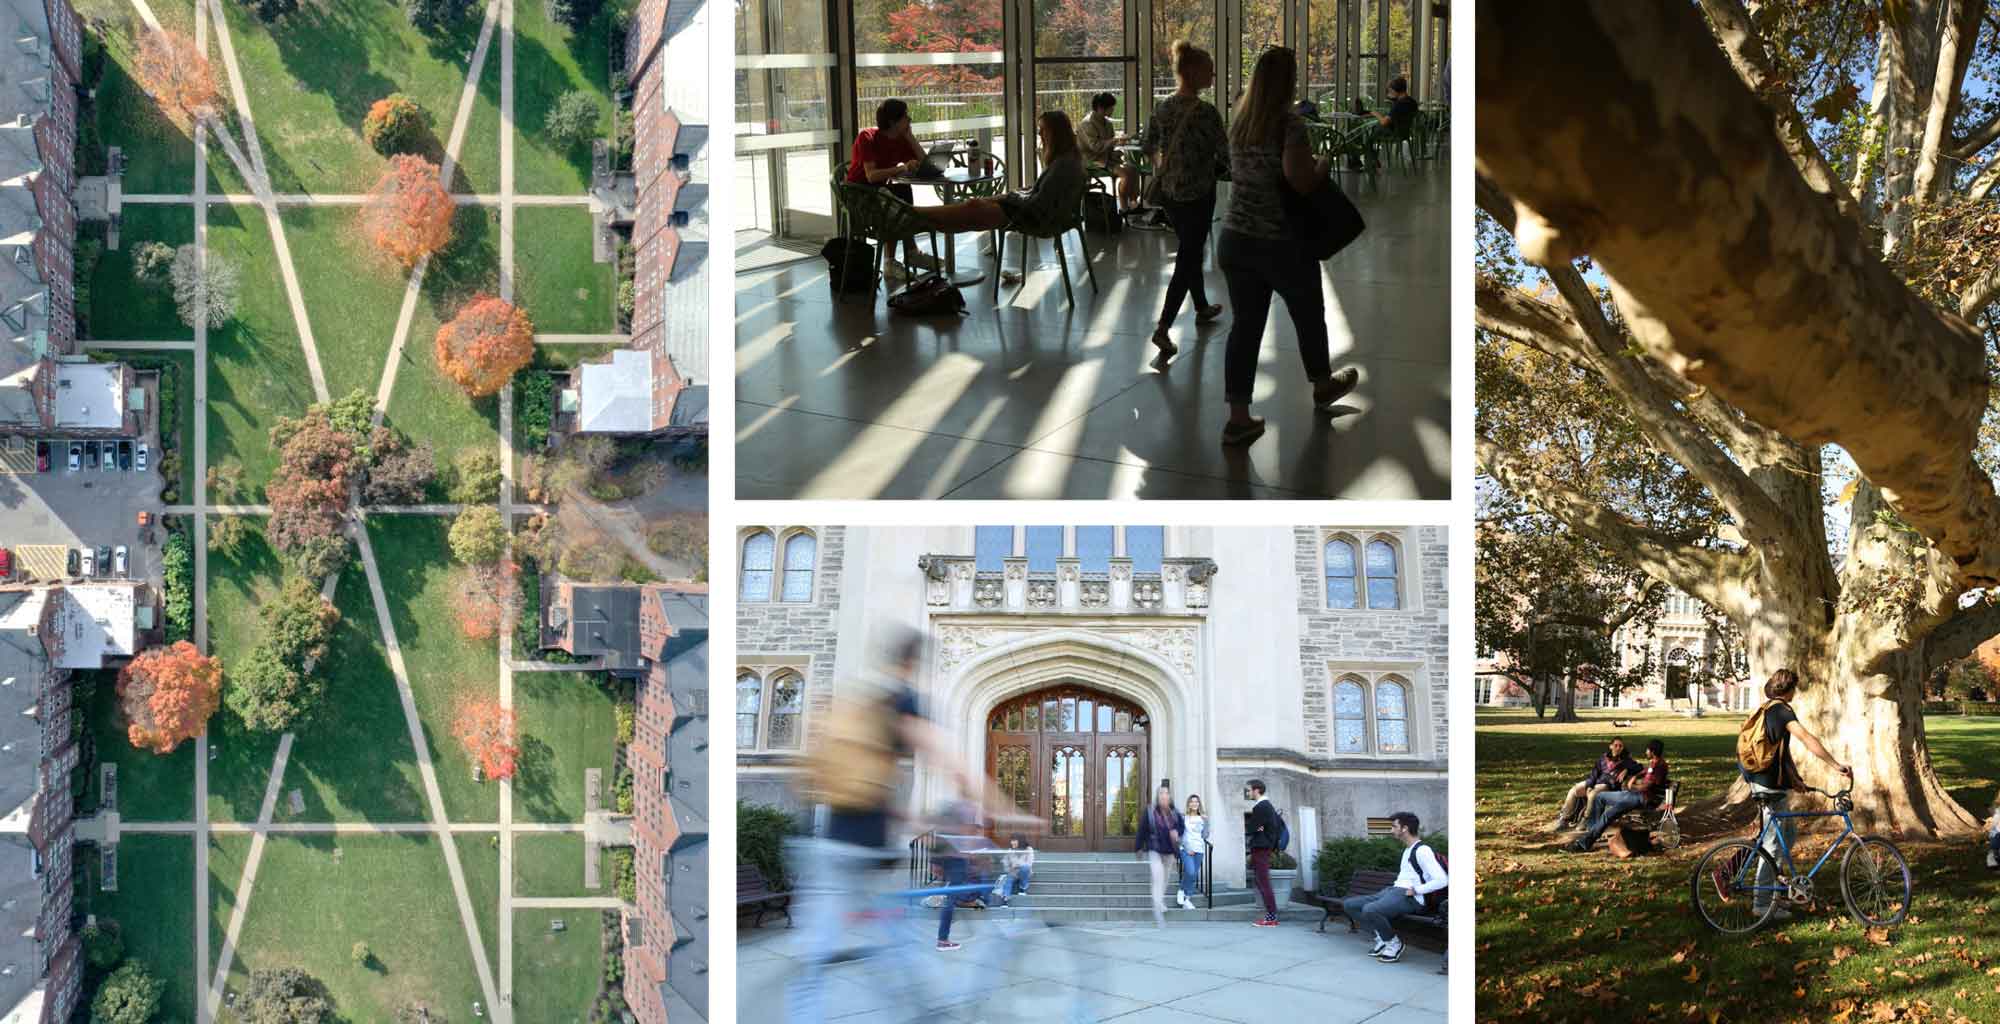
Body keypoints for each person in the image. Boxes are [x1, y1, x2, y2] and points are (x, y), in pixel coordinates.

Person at [787, 631, 1033, 1023]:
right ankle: (936, 1013)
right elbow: (950, 762)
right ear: (914, 664)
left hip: (826, 841)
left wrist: (913, 819)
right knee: (900, 944)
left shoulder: (861, 703)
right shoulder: (901, 700)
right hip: (865, 851)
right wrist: (1004, 808)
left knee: (815, 956)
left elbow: (863, 791)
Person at [1216, 47, 1360, 447]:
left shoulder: (1240, 122)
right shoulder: (1288, 124)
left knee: (1245, 327)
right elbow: (1299, 181)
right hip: (1280, 241)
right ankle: (1322, 384)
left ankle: (1238, 418)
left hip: (1234, 238)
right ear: (1288, 80)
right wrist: (1323, 167)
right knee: (1309, 314)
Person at [1139, 40, 1229, 370]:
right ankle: (1163, 327)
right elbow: (1225, 153)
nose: (1213, 73)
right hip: (1199, 193)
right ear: (1192, 72)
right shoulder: (1206, 113)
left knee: (1191, 248)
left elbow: (1147, 144)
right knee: (1190, 255)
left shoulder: (1162, 108)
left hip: (1171, 195)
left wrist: (1164, 166)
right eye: (1209, 69)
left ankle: (1202, 306)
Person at [1738, 669, 1850, 919]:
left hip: (1767, 782)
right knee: (1773, 845)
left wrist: (1794, 779)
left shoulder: (1768, 708)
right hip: (1768, 786)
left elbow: (1780, 751)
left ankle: (1776, 893)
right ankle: (1762, 904)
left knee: (1787, 834)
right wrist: (1835, 765)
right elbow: (1806, 738)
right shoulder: (1782, 710)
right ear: (1789, 689)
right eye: (1794, 688)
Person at [913, 110, 1088, 244]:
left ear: (1055, 133)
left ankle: (916, 215)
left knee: (972, 209)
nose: (1040, 134)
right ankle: (919, 217)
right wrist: (1015, 194)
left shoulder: (1062, 165)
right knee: (973, 207)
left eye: (1043, 130)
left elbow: (1039, 202)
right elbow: (1044, 194)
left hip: (1035, 218)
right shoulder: (1070, 159)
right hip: (1044, 215)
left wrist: (1011, 196)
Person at [847, 98, 935, 281]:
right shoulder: (867, 137)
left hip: (880, 193)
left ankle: (908, 253)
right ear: (893, 121)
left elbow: (927, 164)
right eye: (905, 116)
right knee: (897, 203)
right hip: (860, 196)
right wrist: (902, 168)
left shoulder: (900, 140)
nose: (909, 119)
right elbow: (871, 176)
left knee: (901, 192)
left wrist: (910, 138)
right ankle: (895, 259)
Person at [1339, 811, 1445, 963]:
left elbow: (1442, 880)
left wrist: (1417, 890)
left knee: (1371, 909)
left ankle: (1393, 943)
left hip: (1411, 897)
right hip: (1394, 890)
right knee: (1350, 905)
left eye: (1394, 826)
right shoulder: (1408, 850)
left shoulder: (1422, 850)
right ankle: (1382, 937)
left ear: (1404, 829)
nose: (1391, 830)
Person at [1569, 739, 1670, 853]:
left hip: (1641, 798)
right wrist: (1634, 776)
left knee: (1608, 815)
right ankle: (1592, 834)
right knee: (1600, 797)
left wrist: (1630, 786)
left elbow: (1645, 787)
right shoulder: (1655, 762)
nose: (1646, 752)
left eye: (1647, 750)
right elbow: (1644, 770)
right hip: (1634, 795)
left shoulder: (1659, 766)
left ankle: (1584, 843)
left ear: (1652, 751)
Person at [1551, 738, 1640, 832]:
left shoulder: (1626, 760)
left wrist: (1627, 770)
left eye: (1620, 746)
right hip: (1595, 782)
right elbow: (1594, 773)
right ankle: (1565, 818)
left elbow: (1639, 767)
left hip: (1608, 786)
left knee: (1593, 794)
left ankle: (1586, 819)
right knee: (1574, 790)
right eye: (1616, 745)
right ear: (1610, 746)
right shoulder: (1603, 758)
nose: (1618, 748)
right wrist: (1589, 785)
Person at [1135, 783, 1186, 929]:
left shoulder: (1175, 812)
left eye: (1166, 793)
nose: (1164, 795)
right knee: (1157, 877)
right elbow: (1142, 830)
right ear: (1158, 796)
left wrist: (1177, 832)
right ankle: (1157, 911)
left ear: (1169, 796)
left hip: (1169, 851)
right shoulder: (1150, 812)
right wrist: (1138, 848)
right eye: (1161, 793)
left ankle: (1159, 900)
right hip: (1154, 849)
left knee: (1165, 879)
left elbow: (1182, 827)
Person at [1078, 92, 1140, 212]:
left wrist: (1118, 146)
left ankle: (1133, 203)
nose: (1112, 110)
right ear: (1101, 108)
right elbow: (1095, 147)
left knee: (1133, 169)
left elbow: (1109, 144)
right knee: (1125, 174)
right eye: (1111, 107)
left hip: (1106, 159)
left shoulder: (1107, 123)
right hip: (1092, 161)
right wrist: (1115, 141)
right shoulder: (1087, 124)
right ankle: (1124, 207)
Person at [1244, 779, 1281, 927]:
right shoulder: (1267, 806)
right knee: (1262, 881)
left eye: (1249, 789)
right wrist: (1258, 828)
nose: (1248, 792)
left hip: (1261, 847)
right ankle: (1271, 915)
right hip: (1263, 847)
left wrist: (1257, 828)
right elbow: (1258, 827)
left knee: (1263, 882)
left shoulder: (1261, 806)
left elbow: (1251, 828)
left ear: (1256, 790)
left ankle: (1271, 917)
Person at [1178, 794, 1209, 909]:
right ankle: (1181, 889)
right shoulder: (1183, 817)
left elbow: (1205, 835)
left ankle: (1187, 899)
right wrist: (1187, 848)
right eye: (1192, 801)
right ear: (1189, 804)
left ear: (1199, 804)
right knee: (1190, 872)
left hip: (1199, 849)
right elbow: (1180, 836)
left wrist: (1206, 822)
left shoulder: (1203, 818)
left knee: (1193, 874)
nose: (1194, 803)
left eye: (1196, 802)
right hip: (1186, 849)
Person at [991, 833, 1035, 904]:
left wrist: (1018, 865)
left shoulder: (1029, 849)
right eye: (1011, 840)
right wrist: (1009, 870)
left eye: (1014, 840)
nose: (1012, 842)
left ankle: (1022, 888)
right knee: (1008, 880)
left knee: (1025, 868)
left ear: (1020, 841)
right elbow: (1005, 862)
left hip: (1024, 872)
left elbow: (1029, 863)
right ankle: (1005, 899)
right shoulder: (1010, 850)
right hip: (1013, 872)